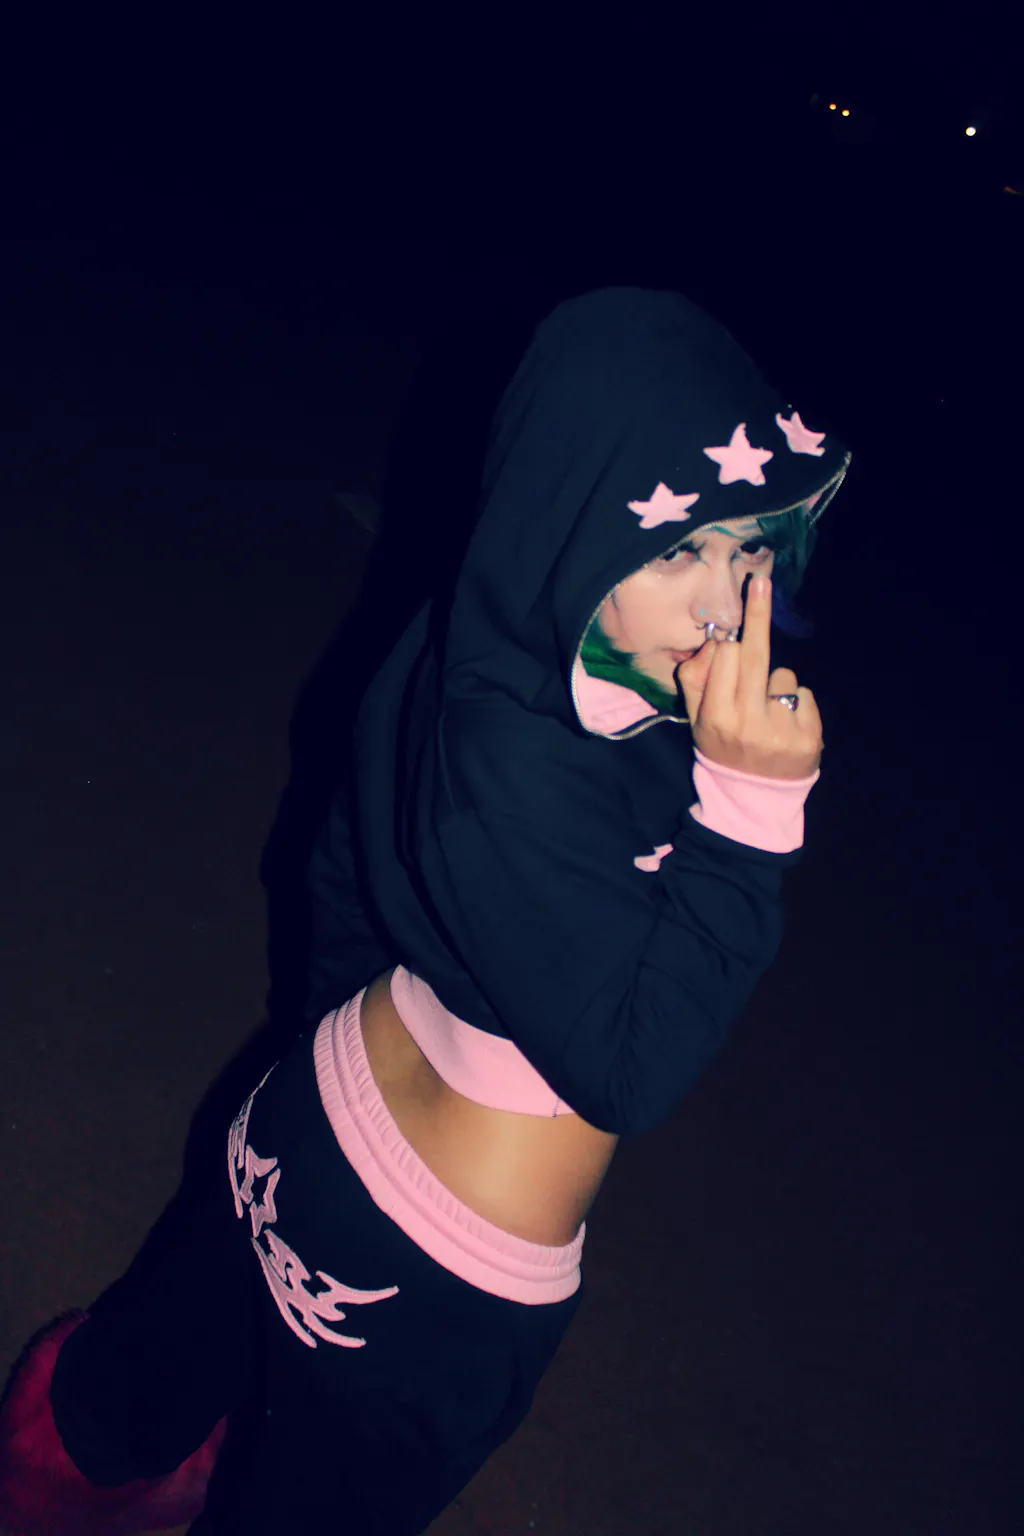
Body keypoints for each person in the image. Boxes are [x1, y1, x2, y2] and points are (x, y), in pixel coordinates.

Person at [0, 286, 850, 1534]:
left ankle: (81, 1451)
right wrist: (752, 814)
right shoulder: (515, 769)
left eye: (749, 547)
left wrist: (308, 1037)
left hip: (319, 1099)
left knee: (194, 1320)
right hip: (438, 1261)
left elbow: (350, 865)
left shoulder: (487, 636)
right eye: (676, 549)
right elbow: (629, 1070)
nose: (725, 602)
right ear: (569, 518)